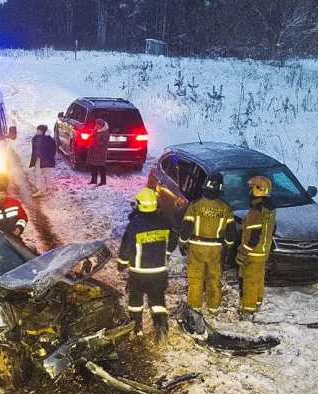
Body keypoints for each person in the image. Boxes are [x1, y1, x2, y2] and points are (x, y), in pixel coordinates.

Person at [117, 188, 178, 342]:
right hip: (159, 272)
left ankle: (137, 328)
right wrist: (167, 253)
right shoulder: (164, 222)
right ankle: (161, 326)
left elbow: (126, 247)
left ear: (139, 204)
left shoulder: (135, 225)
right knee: (157, 300)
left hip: (139, 273)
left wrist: (121, 264)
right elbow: (173, 239)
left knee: (135, 300)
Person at [179, 172, 237, 314]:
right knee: (214, 278)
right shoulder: (225, 207)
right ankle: (213, 308)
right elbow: (231, 230)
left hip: (196, 247)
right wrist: (228, 245)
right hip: (215, 249)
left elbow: (187, 226)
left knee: (195, 278)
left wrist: (182, 242)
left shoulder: (195, 205)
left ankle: (194, 308)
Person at [236, 176, 276, 318]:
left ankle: (248, 310)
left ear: (258, 190)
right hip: (263, 252)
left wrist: (242, 253)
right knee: (259, 279)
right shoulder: (270, 208)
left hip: (253, 253)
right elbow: (272, 228)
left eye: (251, 188)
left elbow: (253, 237)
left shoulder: (256, 211)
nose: (249, 192)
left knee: (250, 281)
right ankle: (257, 302)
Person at [30, 124, 56, 197]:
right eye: (37, 130)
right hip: (37, 159)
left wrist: (49, 157)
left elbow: (53, 149)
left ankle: (49, 188)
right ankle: (39, 190)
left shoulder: (48, 139)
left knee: (46, 175)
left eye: (39, 130)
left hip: (45, 160)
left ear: (42, 131)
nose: (37, 131)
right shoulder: (35, 138)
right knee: (38, 174)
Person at [86, 118, 109, 186]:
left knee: (101, 167)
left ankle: (103, 182)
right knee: (93, 166)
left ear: (101, 126)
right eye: (96, 125)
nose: (96, 126)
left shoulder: (105, 133)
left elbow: (104, 143)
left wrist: (95, 140)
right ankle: (94, 180)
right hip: (93, 151)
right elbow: (91, 138)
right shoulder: (95, 131)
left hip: (100, 153)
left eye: (98, 125)